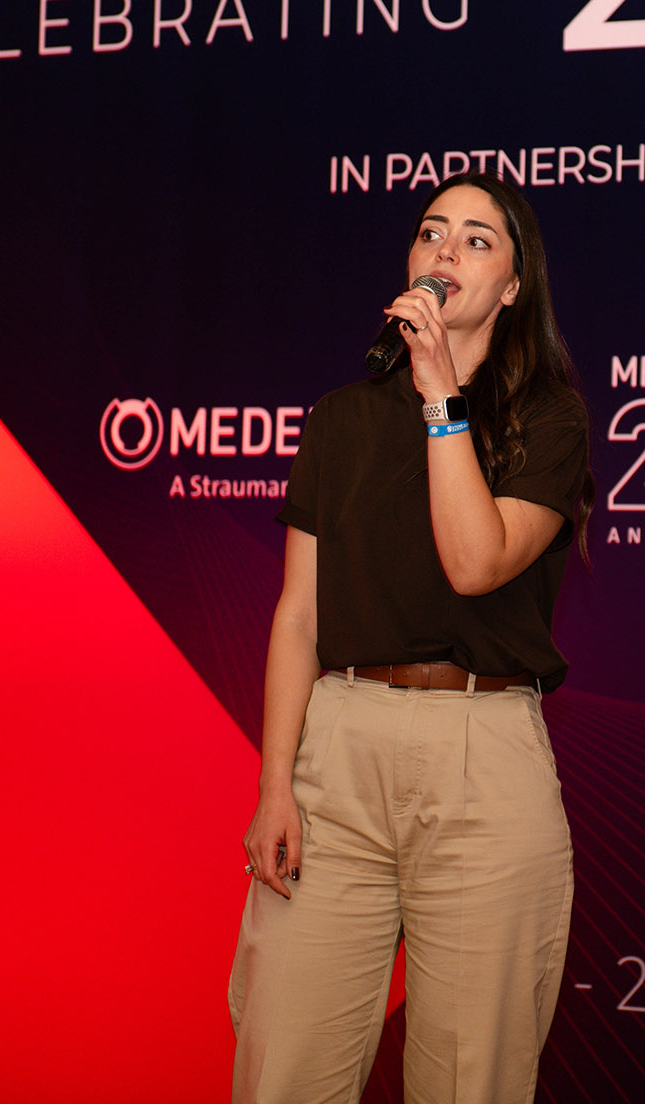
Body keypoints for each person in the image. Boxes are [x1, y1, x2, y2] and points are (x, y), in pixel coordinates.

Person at [229, 172, 593, 1104]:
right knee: (282, 1065)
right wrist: (276, 784)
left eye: (477, 239)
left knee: (469, 1080)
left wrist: (441, 397)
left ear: (512, 287)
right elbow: (299, 616)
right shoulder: (341, 418)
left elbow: (474, 563)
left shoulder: (547, 419)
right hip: (339, 752)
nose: (445, 251)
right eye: (432, 232)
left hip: (481, 755)